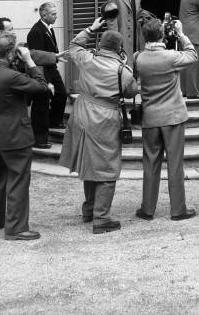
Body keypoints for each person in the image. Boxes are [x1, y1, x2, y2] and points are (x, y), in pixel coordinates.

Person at [59, 16, 138, 234]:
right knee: (106, 167)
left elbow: (74, 45)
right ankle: (101, 219)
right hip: (105, 117)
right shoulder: (123, 70)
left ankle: (90, 209)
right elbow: (131, 91)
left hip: (81, 112)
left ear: (100, 44)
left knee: (89, 163)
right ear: (119, 48)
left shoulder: (87, 58)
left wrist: (90, 28)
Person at [0, 32, 48, 240]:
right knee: (18, 180)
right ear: (10, 54)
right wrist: (29, 60)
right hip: (15, 136)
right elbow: (41, 87)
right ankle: (16, 228)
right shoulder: (11, 76)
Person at [0, 17, 62, 173]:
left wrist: (54, 57)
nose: (14, 32)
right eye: (10, 29)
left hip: (1, 99)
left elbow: (30, 53)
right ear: (1, 32)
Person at [134, 18, 198, 221]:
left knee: (150, 164)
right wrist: (180, 33)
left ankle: (147, 209)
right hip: (173, 116)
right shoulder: (171, 56)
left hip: (150, 117)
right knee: (175, 163)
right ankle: (178, 209)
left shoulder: (138, 58)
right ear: (161, 36)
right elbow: (192, 55)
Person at [27, 2, 68, 148]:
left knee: (61, 94)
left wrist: (56, 57)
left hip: (52, 67)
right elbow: (36, 58)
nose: (56, 16)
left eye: (56, 14)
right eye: (53, 14)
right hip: (43, 71)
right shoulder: (36, 32)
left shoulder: (49, 28)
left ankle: (54, 121)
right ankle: (39, 139)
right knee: (41, 106)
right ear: (44, 15)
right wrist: (46, 81)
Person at [107, 0, 144, 65]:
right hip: (122, 34)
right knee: (123, 63)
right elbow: (111, 20)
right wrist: (115, 39)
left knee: (135, 62)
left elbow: (138, 14)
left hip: (135, 35)